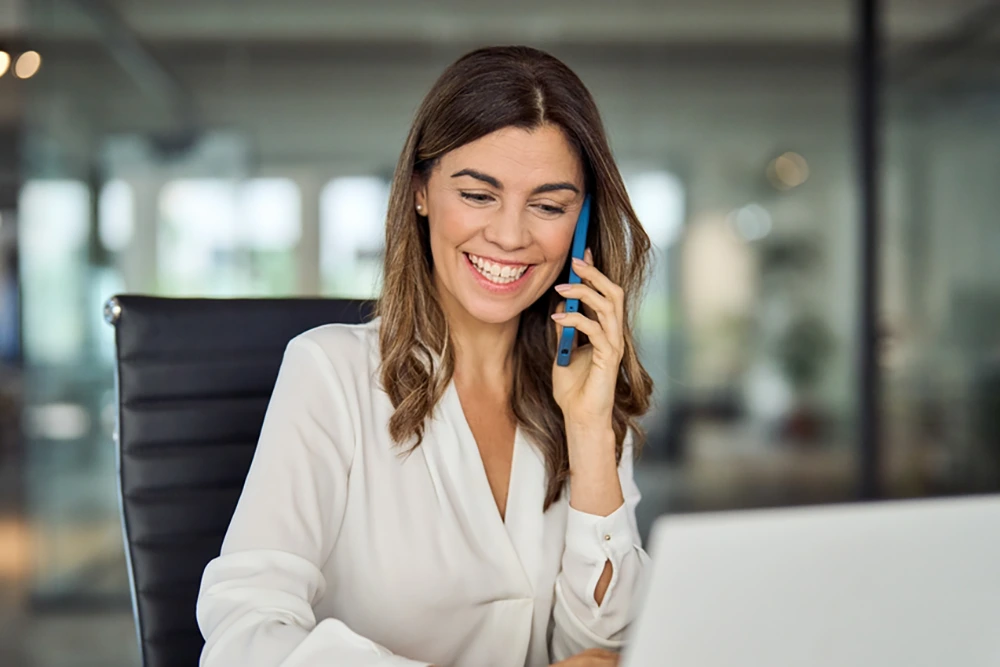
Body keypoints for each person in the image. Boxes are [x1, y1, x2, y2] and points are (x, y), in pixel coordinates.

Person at [196, 45, 653, 667]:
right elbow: (243, 637)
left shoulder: (585, 396)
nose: (511, 235)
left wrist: (590, 431)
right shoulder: (331, 373)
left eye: (548, 206)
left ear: (580, 223)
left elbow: (598, 650)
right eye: (478, 194)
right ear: (420, 192)